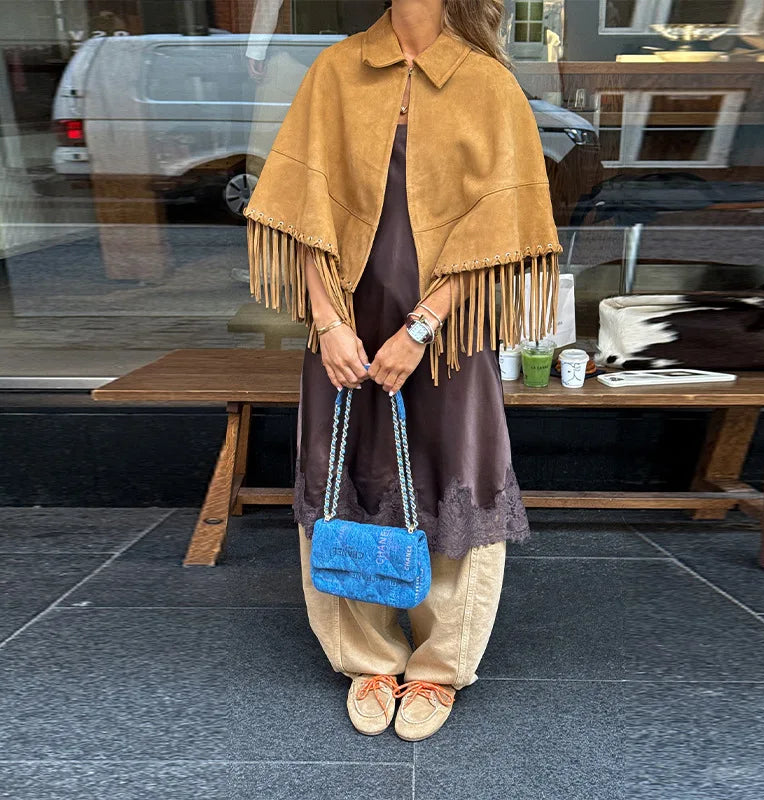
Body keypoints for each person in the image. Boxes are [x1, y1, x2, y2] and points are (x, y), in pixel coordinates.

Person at [243, 0, 561, 741]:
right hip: (344, 325)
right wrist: (325, 322)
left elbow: (504, 229)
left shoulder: (487, 83)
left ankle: (439, 666)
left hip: (447, 330)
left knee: (458, 471)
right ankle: (366, 659)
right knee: (340, 469)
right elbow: (299, 213)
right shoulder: (334, 71)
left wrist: (423, 326)